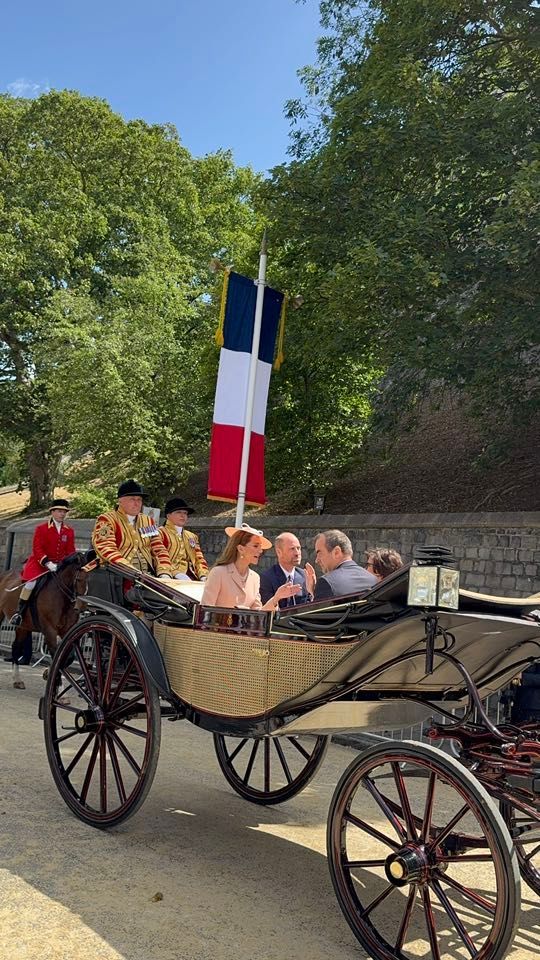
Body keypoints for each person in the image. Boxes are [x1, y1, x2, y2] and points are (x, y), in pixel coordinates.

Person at [201, 523, 301, 610]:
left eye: (260, 547)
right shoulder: (218, 573)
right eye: (255, 546)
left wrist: (276, 598)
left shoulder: (255, 578)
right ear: (240, 548)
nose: (260, 550)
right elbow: (205, 610)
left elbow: (258, 614)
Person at [10, 498, 76, 625]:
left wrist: (68, 563)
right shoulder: (41, 528)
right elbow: (37, 549)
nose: (62, 514)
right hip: (40, 564)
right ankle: (19, 612)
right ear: (52, 512)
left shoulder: (69, 531)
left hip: (59, 566)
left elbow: (70, 550)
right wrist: (47, 563)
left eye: (64, 512)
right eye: (59, 511)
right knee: (31, 583)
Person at [92, 480, 172, 578]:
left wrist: (164, 572)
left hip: (149, 575)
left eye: (139, 499)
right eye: (132, 499)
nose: (137, 503)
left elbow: (158, 549)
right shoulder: (107, 519)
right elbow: (106, 548)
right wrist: (131, 571)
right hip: (118, 575)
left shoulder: (148, 521)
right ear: (120, 501)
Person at [313, 529, 377, 601]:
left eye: (319, 553)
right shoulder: (373, 579)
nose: (316, 560)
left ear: (336, 552)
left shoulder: (326, 583)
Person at [157, 497, 209, 581]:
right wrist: (174, 574)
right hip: (168, 576)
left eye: (185, 513)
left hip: (191, 576)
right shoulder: (159, 533)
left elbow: (199, 559)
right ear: (168, 515)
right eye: (178, 512)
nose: (183, 515)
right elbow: (158, 556)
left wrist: (203, 575)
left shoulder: (192, 536)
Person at [260, 531, 313, 608]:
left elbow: (309, 606)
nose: (297, 553)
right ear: (279, 552)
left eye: (298, 548)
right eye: (292, 549)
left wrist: (312, 590)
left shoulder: (304, 575)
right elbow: (266, 610)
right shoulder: (267, 578)